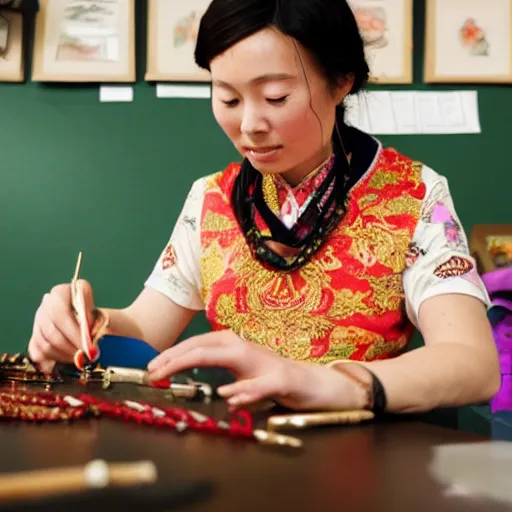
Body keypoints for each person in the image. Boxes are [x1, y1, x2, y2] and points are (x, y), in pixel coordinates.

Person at [28, 0, 500, 416]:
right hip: (236, 449)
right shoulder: (212, 197)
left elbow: (472, 363)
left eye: (276, 96)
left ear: (341, 82)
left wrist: (330, 382)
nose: (249, 124)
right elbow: (147, 330)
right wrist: (84, 325)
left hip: (364, 461)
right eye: (228, 97)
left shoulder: (412, 195)